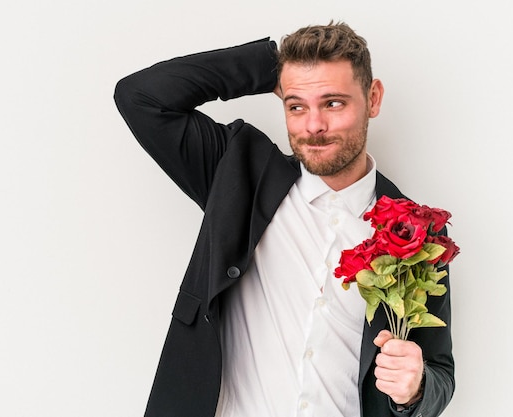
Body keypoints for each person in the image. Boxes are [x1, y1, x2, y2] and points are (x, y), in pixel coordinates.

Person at [114, 21, 454, 417]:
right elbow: (140, 97)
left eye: (333, 103)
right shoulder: (236, 174)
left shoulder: (414, 231)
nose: (313, 126)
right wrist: (266, 66)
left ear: (373, 98)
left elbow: (439, 373)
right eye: (296, 106)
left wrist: (416, 389)